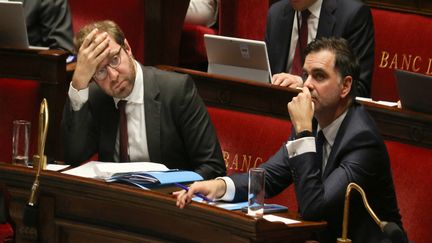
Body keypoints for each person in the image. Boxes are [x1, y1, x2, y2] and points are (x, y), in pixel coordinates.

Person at [175, 38, 407, 243]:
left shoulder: (361, 138)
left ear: (345, 86)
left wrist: (304, 132)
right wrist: (218, 186)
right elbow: (269, 177)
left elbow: (314, 208)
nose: (306, 84)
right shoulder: (314, 122)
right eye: (306, 75)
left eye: (319, 76)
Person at [61, 20, 226, 180]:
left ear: (127, 48)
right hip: (116, 200)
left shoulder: (176, 91)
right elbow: (73, 156)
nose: (113, 76)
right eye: (100, 71)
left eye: (114, 60)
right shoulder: (96, 96)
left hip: (169, 200)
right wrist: (78, 84)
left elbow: (213, 168)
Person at [267, 0, 374, 98]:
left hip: (323, 114)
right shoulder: (276, 13)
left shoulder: (352, 15)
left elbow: (359, 88)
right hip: (276, 107)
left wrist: (304, 83)